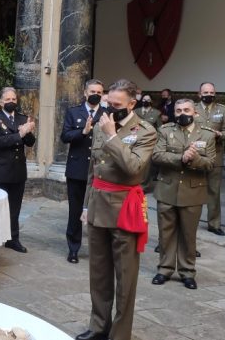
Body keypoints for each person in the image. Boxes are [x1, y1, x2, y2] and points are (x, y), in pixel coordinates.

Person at [77, 79, 156, 340]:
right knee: (98, 273)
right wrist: (86, 205)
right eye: (108, 103)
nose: (110, 108)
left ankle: (120, 334)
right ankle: (98, 326)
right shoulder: (103, 123)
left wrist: (112, 135)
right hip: (99, 206)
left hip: (124, 210)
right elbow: (93, 169)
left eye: (116, 104)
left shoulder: (145, 131)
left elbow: (134, 168)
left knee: (125, 278)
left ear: (132, 103)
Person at [150, 99, 216, 290]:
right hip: (167, 190)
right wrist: (181, 158)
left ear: (195, 113)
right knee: (166, 233)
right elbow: (156, 155)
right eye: (178, 110)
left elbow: (210, 163)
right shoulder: (165, 130)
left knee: (188, 235)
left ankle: (187, 272)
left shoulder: (207, 135)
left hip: (192, 192)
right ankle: (164, 269)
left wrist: (194, 159)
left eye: (186, 110)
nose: (182, 113)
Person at [0, 87, 36, 253]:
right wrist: (19, 135)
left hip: (17, 170)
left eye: (14, 99)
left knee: (15, 209)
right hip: (0, 170)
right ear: (1, 102)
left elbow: (29, 143)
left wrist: (28, 132)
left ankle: (13, 239)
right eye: (8, 100)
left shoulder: (22, 118)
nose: (11, 102)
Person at [60, 79, 105, 264]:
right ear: (85, 93)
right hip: (77, 169)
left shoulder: (107, 113)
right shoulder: (73, 112)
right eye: (92, 91)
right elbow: (65, 136)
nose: (96, 94)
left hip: (100, 170)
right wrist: (84, 131)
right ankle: (73, 248)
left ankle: (99, 250)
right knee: (75, 211)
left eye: (99, 92)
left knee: (100, 212)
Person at [195, 82, 225, 236]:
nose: (208, 94)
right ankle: (191, 222)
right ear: (199, 93)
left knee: (214, 191)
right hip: (196, 155)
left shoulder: (222, 109)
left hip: (216, 155)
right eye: (205, 92)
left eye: (211, 92)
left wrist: (221, 135)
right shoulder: (192, 109)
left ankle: (214, 224)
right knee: (193, 189)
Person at [137, 94, 163, 193]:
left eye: (148, 100)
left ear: (151, 101)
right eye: (144, 99)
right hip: (137, 141)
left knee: (147, 166)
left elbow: (160, 129)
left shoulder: (156, 113)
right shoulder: (136, 111)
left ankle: (144, 186)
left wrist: (158, 143)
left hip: (150, 142)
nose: (145, 101)